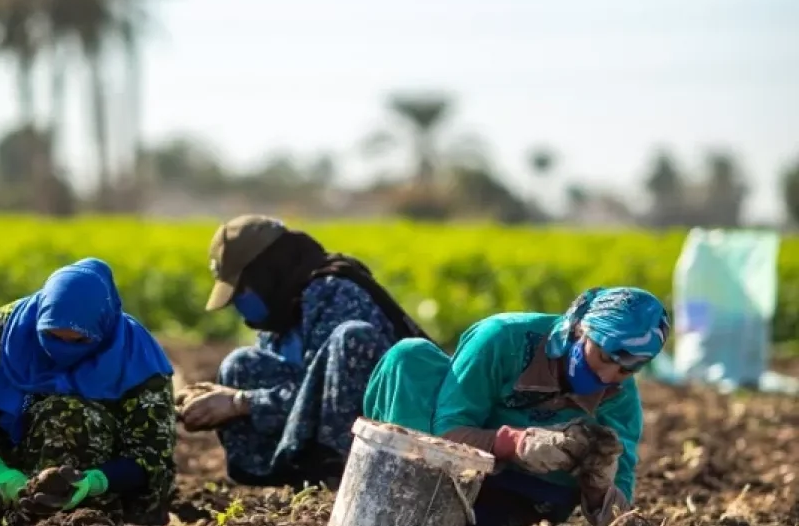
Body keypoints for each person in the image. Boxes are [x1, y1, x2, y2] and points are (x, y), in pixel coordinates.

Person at [0, 258, 177, 526]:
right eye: (52, 336)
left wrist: (94, 482)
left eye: (80, 341)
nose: (63, 350)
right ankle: (15, 505)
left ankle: (77, 515)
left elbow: (152, 452)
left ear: (103, 329)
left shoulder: (136, 357)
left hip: (101, 480)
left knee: (67, 413)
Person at [363, 286, 671, 526]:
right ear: (581, 330)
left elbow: (619, 513)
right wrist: (515, 443)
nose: (607, 376)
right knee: (410, 360)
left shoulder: (620, 399)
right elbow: (447, 432)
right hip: (452, 471)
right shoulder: (503, 340)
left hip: (527, 495)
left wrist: (598, 486)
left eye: (626, 370)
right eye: (604, 357)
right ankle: (396, 493)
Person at [178, 214, 433, 487]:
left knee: (351, 337)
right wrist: (214, 401)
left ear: (267, 270)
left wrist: (240, 403)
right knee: (240, 365)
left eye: (242, 289)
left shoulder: (336, 294)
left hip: (388, 439)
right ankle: (288, 476)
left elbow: (327, 394)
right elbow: (298, 388)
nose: (239, 302)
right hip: (317, 429)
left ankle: (338, 475)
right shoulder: (283, 309)